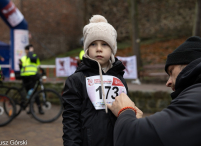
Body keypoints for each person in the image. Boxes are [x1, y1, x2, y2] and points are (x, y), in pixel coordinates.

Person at [107, 36, 201, 146]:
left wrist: (125, 110)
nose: (168, 82)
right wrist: (136, 122)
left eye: (171, 71)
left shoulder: (196, 97)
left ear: (188, 65)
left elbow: (133, 138)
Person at [62, 15, 133, 146]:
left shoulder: (119, 80)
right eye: (93, 44)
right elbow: (70, 119)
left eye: (104, 44)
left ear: (112, 49)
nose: (98, 48)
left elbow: (126, 114)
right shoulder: (76, 80)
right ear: (86, 48)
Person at [19, 44, 44, 114]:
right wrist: (20, 65)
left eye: (29, 50)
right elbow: (21, 68)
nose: (28, 51)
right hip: (25, 77)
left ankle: (39, 108)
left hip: (33, 77)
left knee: (34, 93)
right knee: (28, 94)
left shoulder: (34, 56)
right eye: (27, 50)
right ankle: (31, 108)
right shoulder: (23, 58)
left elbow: (38, 65)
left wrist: (42, 71)